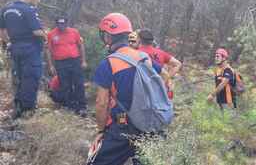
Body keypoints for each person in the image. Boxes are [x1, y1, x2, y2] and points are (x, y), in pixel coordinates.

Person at [88, 13, 147, 165]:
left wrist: (101, 131)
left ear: (108, 36)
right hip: (149, 123)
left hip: (124, 125)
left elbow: (101, 103)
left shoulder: (109, 63)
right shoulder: (143, 57)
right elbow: (164, 76)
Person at [0, 0, 47, 119]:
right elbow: (36, 31)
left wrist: (9, 42)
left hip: (15, 48)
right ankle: (27, 111)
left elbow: (2, 31)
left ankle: (18, 108)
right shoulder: (28, 10)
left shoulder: (6, 8)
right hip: (31, 49)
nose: (39, 0)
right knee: (31, 78)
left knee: (19, 77)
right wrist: (45, 36)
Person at [46, 18, 87, 115]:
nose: (61, 26)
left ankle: (82, 106)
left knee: (79, 84)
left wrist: (83, 61)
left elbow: (81, 46)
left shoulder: (74, 32)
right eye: (59, 24)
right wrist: (50, 65)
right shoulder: (51, 34)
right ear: (56, 24)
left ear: (66, 23)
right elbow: (47, 50)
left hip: (75, 61)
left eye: (63, 24)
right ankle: (70, 106)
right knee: (65, 85)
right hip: (60, 62)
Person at [138, 29, 181, 99]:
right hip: (161, 91)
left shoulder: (136, 53)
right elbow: (177, 64)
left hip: (144, 92)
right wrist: (167, 78)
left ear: (139, 40)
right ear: (152, 41)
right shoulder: (161, 53)